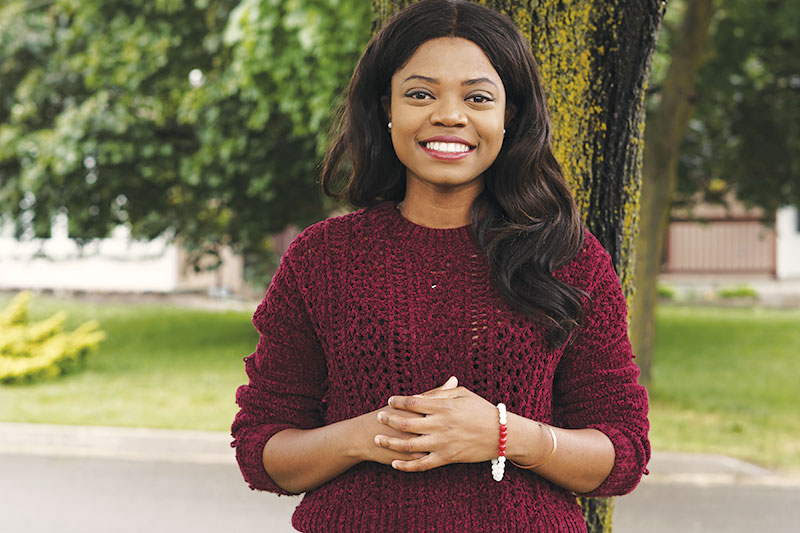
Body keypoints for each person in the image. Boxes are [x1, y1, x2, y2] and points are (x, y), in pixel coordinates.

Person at [231, 0, 650, 531]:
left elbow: (624, 452)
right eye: (420, 94)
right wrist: (369, 434)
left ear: (509, 115)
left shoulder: (568, 259)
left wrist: (503, 435)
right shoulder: (323, 259)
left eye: (477, 97)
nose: (449, 115)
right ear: (387, 108)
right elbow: (262, 449)